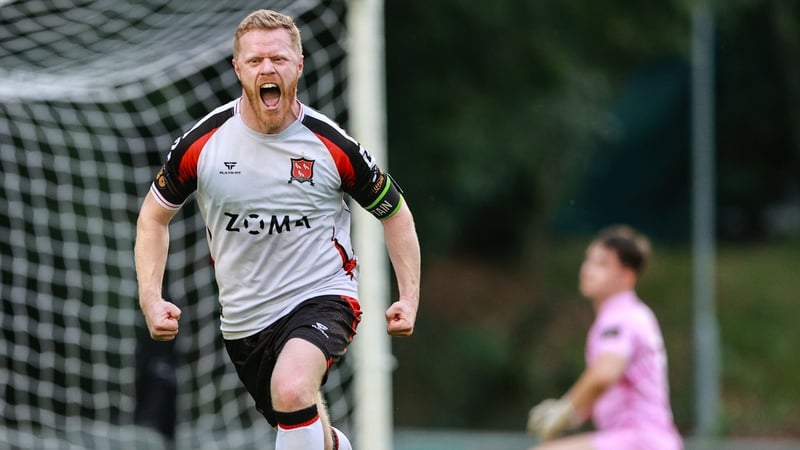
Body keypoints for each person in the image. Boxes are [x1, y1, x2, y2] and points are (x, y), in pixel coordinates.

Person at [134, 9, 421, 450]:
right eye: (255, 60)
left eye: (279, 59)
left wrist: (409, 297)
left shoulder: (330, 145)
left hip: (323, 295)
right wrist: (151, 299)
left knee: (290, 388)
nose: (267, 68)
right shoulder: (203, 144)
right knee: (303, 419)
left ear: (299, 66)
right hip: (244, 321)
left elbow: (394, 212)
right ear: (238, 69)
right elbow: (153, 217)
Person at [526, 225, 682, 450]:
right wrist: (570, 416)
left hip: (638, 439)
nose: (588, 270)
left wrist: (564, 408)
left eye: (602, 264)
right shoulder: (625, 314)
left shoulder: (621, 317)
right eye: (588, 260)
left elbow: (604, 373)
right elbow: (605, 391)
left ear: (627, 276)